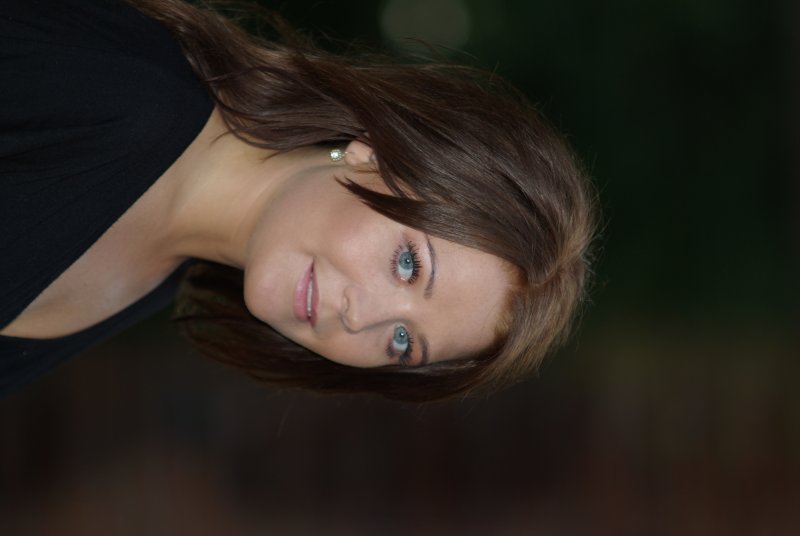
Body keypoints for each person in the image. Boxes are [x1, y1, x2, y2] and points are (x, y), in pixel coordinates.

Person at [0, 0, 597, 402]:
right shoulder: (127, 96)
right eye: (408, 264)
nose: (361, 319)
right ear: (377, 153)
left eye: (402, 342)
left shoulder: (157, 283)